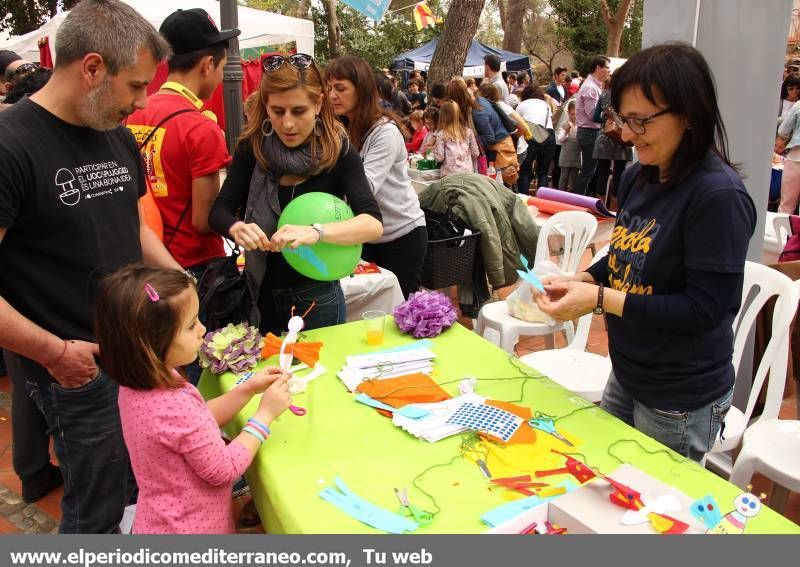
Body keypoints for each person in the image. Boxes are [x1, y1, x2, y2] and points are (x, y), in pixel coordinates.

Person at [0, 0, 178, 532]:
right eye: (137, 86)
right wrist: (55, 353)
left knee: (131, 490)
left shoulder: (115, 133)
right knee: (95, 509)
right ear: (93, 67)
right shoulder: (11, 145)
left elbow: (133, 227)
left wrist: (176, 283)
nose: (143, 101)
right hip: (73, 367)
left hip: (132, 347)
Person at [535, 43, 756, 462]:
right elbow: (627, 254)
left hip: (678, 394)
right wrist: (585, 279)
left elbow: (704, 310)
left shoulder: (717, 196)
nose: (627, 134)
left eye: (641, 121)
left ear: (688, 114)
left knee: (656, 508)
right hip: (629, 370)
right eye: (622, 119)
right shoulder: (639, 175)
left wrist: (599, 300)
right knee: (611, 479)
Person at [95, 265, 291, 533]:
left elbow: (196, 423)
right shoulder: (172, 404)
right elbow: (224, 469)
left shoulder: (139, 384)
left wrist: (247, 389)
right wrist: (265, 415)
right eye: (190, 325)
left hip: (160, 520)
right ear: (152, 343)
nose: (202, 329)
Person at [209, 53, 383, 335]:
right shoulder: (251, 149)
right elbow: (219, 211)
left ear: (318, 104)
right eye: (277, 111)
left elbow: (373, 223)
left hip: (318, 297)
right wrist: (236, 227)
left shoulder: (338, 151)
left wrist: (316, 232)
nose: (287, 124)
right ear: (265, 106)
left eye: (298, 111)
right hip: (260, 293)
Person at [126, 8, 237, 277]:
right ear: (207, 64)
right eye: (222, 69)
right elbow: (204, 220)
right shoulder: (201, 129)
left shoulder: (134, 112)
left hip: (148, 262)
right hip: (196, 265)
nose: (221, 78)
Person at [327, 56, 427, 299]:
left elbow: (365, 187)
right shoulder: (342, 129)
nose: (332, 96)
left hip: (401, 235)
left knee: (401, 314)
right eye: (328, 88)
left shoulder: (385, 132)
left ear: (361, 90)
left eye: (340, 88)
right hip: (366, 235)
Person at [447, 77, 519, 186]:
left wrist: (468, 141)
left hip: (500, 152)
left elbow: (490, 138)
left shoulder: (478, 112)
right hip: (496, 151)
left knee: (503, 189)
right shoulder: (476, 102)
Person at [591, 77, 633, 203]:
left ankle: (600, 207)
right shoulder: (626, 95)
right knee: (619, 174)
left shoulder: (604, 94)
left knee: (602, 173)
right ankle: (614, 209)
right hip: (622, 137)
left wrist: (605, 121)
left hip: (605, 136)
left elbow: (594, 117)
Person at [573, 55, 610, 195]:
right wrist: (609, 118)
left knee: (589, 171)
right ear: (598, 68)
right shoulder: (591, 88)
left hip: (589, 132)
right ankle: (576, 202)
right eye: (606, 67)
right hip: (589, 132)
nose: (608, 71)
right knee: (588, 171)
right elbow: (592, 114)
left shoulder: (592, 85)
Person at [516, 84, 555, 194]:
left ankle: (524, 199)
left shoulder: (521, 105)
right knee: (543, 171)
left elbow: (517, 123)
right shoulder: (545, 104)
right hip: (548, 136)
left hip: (529, 136)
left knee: (524, 171)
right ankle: (543, 200)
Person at [432, 100, 479, 176]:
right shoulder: (468, 131)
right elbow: (475, 153)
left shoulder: (441, 134)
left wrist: (434, 151)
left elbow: (439, 157)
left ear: (442, 115)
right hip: (468, 173)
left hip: (449, 175)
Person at [555, 99, 580, 191]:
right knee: (564, 177)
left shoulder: (581, 125)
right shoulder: (564, 124)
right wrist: (566, 130)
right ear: (568, 113)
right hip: (566, 155)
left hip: (576, 155)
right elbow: (560, 139)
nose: (574, 117)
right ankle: (561, 195)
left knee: (574, 177)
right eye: (572, 114)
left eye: (576, 114)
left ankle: (571, 196)